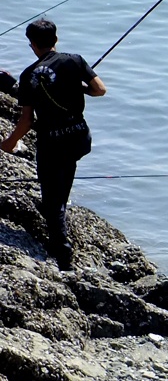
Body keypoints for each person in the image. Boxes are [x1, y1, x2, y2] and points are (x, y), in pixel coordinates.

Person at [1, 19, 106, 270]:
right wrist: (80, 88)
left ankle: (63, 255)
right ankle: (59, 219)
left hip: (52, 141)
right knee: (64, 179)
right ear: (56, 39)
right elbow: (100, 90)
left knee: (52, 201)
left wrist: (9, 143)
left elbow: (27, 120)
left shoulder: (28, 75)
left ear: (32, 44)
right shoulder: (74, 60)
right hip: (79, 136)